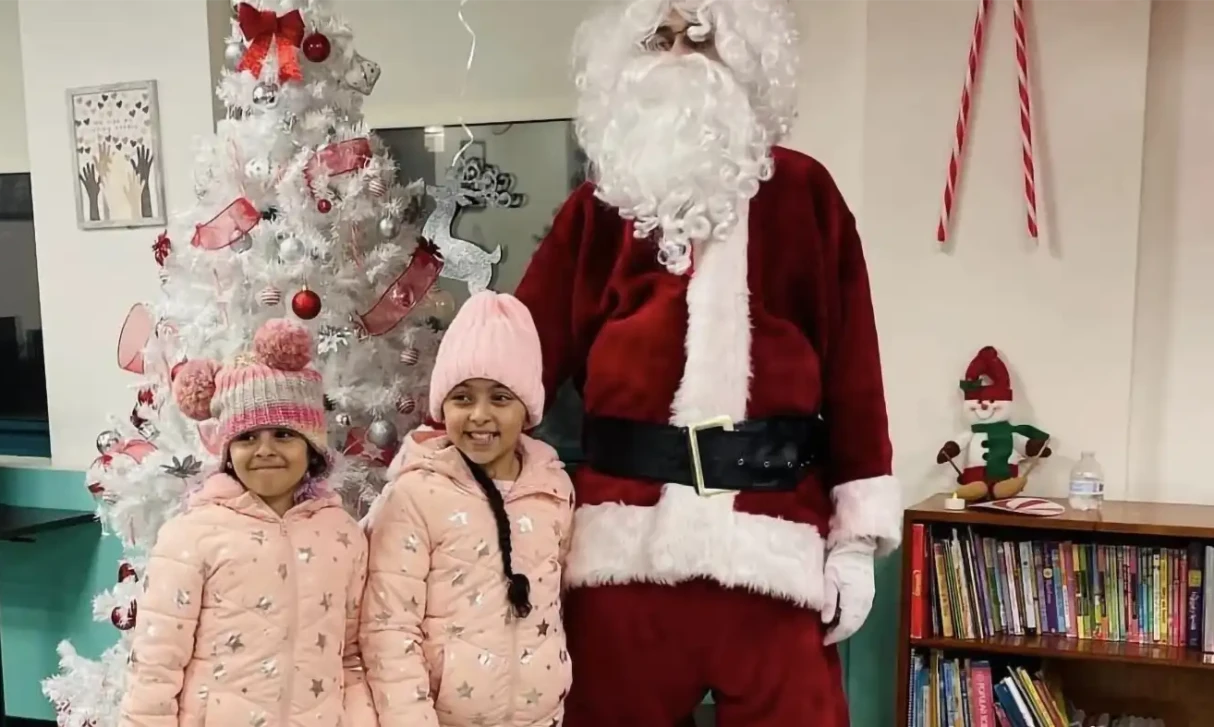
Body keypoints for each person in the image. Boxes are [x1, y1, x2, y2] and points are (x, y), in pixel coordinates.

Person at [512, 0, 902, 725]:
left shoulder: (805, 193)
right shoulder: (597, 210)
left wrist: (854, 541)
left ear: (746, 60)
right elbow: (514, 359)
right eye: (658, 38)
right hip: (621, 550)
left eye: (700, 36)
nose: (679, 55)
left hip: (774, 543)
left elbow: (855, 376)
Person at [118, 319, 376, 727]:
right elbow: (156, 664)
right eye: (247, 437)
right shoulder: (192, 535)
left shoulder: (342, 534)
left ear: (312, 448)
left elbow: (351, 656)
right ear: (227, 450)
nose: (265, 450)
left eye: (283, 435)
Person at [361, 291, 574, 727]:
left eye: (500, 398)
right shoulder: (415, 494)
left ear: (527, 409)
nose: (479, 415)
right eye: (462, 398)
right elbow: (388, 627)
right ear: (443, 406)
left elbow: (557, 604)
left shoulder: (554, 489)